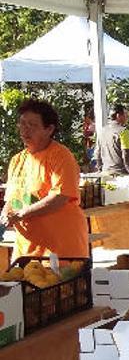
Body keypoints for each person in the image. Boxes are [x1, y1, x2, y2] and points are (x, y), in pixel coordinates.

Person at [1, 98, 89, 259]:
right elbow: (11, 199)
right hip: (26, 250)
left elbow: (59, 197)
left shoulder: (61, 156)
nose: (25, 130)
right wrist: (5, 214)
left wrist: (21, 214)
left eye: (32, 125)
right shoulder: (17, 160)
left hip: (59, 250)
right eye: (22, 123)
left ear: (49, 129)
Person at [95, 104, 129, 175]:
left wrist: (99, 169)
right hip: (120, 174)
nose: (127, 117)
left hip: (105, 173)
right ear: (118, 116)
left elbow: (97, 153)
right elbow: (126, 153)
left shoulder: (102, 131)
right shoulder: (123, 132)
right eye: (125, 115)